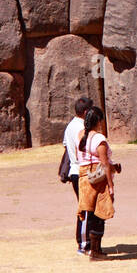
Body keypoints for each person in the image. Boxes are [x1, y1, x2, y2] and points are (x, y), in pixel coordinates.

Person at [76, 106, 118, 261]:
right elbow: (105, 164)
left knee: (89, 213)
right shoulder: (99, 139)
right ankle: (95, 250)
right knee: (100, 213)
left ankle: (91, 248)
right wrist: (111, 186)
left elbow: (78, 156)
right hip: (98, 180)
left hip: (84, 177)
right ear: (99, 121)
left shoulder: (80, 135)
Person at [62, 96, 92, 254]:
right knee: (86, 208)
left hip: (74, 170)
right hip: (81, 170)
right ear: (86, 111)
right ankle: (84, 243)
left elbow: (66, 147)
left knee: (84, 206)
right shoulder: (81, 127)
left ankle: (85, 241)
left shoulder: (70, 126)